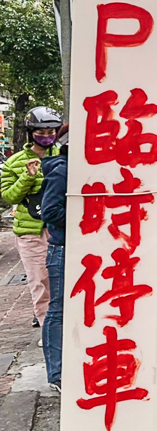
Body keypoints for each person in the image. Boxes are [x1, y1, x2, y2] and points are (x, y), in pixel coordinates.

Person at [0, 106, 61, 333]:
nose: (46, 137)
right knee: (40, 282)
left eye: (50, 132)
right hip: (31, 232)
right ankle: (48, 332)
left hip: (60, 229)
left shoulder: (63, 156)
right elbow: (9, 196)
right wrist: (28, 176)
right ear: (30, 132)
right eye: (40, 133)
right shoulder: (14, 162)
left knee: (62, 280)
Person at [40, 124, 68, 393]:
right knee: (57, 310)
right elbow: (50, 211)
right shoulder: (62, 170)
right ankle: (56, 372)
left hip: (77, 247)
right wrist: (81, 225)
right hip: (61, 248)